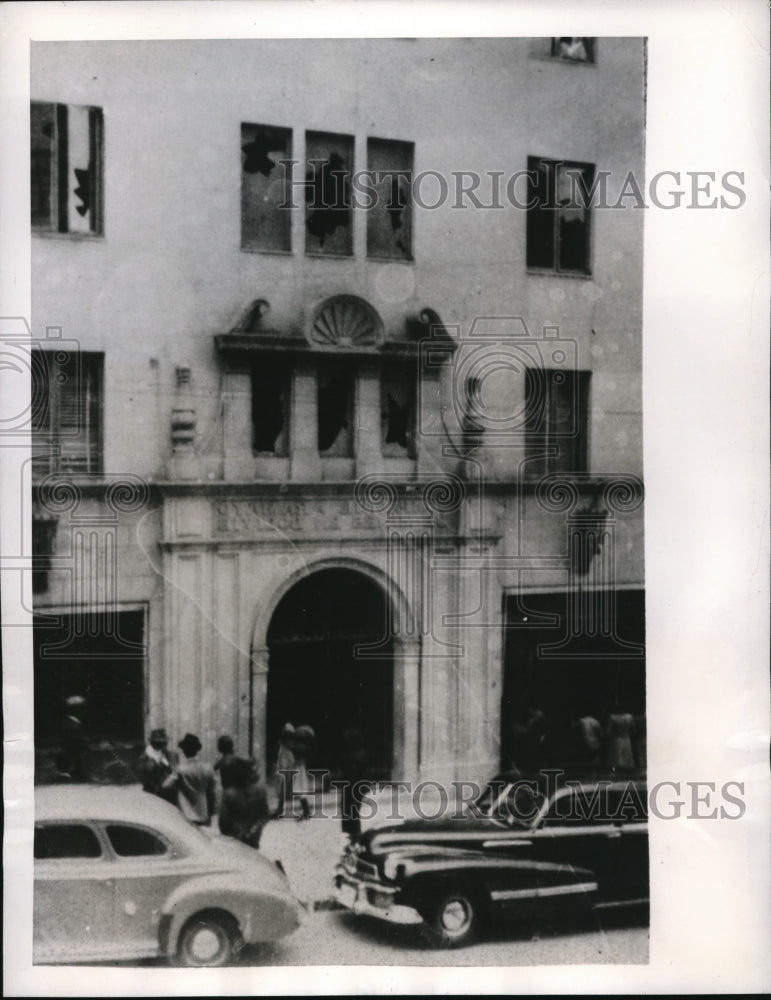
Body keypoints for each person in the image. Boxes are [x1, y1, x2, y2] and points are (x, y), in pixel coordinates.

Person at [219, 756, 271, 849]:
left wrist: (239, 832)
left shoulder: (229, 794)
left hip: (234, 838)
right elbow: (265, 814)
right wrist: (255, 829)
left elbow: (223, 821)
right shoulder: (260, 790)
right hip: (254, 837)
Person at [174, 733, 217, 826]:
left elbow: (165, 785)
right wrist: (211, 814)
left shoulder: (180, 769)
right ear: (197, 750)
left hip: (184, 815)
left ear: (184, 750)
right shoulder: (207, 767)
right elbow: (211, 794)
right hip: (203, 813)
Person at [340, 727, 370, 840]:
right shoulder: (358, 754)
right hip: (352, 786)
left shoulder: (357, 755)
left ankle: (353, 835)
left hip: (354, 787)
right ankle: (352, 834)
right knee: (351, 811)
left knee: (351, 811)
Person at [137, 728, 178, 804]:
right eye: (158, 743)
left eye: (163, 742)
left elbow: (176, 772)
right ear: (152, 743)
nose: (161, 745)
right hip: (154, 797)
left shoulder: (173, 756)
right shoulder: (145, 758)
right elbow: (146, 780)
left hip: (172, 797)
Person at [57, 695, 91, 782]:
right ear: (77, 710)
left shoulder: (72, 724)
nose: (85, 711)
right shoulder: (72, 726)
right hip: (72, 769)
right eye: (83, 708)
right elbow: (74, 748)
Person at [292, 724, 315, 821]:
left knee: (299, 789)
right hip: (301, 768)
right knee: (300, 790)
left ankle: (306, 811)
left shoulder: (300, 746)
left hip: (299, 768)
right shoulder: (305, 746)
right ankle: (306, 811)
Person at [274, 722, 296, 818]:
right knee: (285, 787)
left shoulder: (285, 748)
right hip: (287, 765)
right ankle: (280, 809)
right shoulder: (289, 747)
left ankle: (280, 809)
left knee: (284, 786)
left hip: (285, 766)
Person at [605, 707, 637, 771]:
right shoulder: (629, 717)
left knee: (617, 758)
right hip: (626, 739)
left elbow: (609, 731)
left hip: (616, 740)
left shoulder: (612, 717)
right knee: (625, 758)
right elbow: (633, 730)